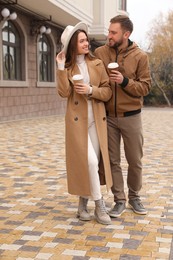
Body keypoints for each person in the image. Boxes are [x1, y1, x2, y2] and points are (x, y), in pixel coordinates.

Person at [56, 22, 113, 225]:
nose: (86, 43)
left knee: (93, 163)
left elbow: (107, 92)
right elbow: (63, 93)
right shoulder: (68, 68)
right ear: (73, 44)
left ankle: (82, 205)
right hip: (77, 123)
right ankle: (99, 205)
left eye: (86, 39)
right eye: (81, 41)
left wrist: (90, 90)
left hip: (96, 121)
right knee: (89, 162)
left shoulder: (97, 64)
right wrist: (61, 67)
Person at [94, 15, 151, 218]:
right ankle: (119, 200)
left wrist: (124, 81)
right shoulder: (100, 53)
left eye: (113, 32)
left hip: (131, 116)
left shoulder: (140, 56)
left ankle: (135, 196)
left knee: (135, 160)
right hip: (107, 117)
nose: (108, 35)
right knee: (112, 161)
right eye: (109, 31)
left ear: (126, 34)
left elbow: (145, 87)